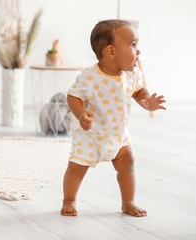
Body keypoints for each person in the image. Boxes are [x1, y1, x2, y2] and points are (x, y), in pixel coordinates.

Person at [61, 19, 166, 217]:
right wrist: (81, 114)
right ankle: (69, 200)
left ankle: (128, 202)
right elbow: (73, 96)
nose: (139, 51)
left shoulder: (132, 73)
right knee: (77, 168)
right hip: (90, 135)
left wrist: (147, 102)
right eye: (133, 45)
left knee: (127, 163)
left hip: (118, 134)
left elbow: (139, 92)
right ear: (111, 52)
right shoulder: (89, 77)